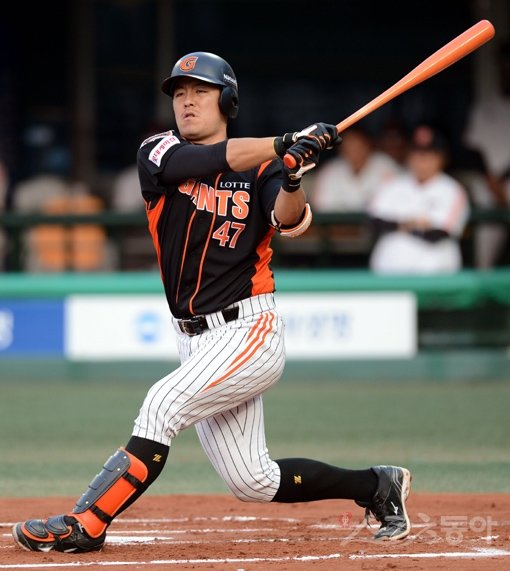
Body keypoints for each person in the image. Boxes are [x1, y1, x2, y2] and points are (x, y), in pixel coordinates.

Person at [12, 51, 412, 554]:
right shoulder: (158, 150)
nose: (187, 101)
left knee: (161, 406)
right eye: (180, 93)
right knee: (253, 480)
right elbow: (205, 161)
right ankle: (377, 485)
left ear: (227, 102)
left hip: (249, 331)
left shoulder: (264, 168)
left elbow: (288, 220)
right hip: (193, 338)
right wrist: (283, 142)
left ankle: (86, 524)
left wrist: (291, 174)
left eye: (200, 91)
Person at [368, 124, 470, 274]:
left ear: (442, 158)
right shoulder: (392, 184)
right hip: (389, 272)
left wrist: (399, 224)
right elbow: (375, 222)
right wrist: (416, 224)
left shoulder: (453, 190)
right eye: (417, 154)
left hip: (436, 275)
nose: (422, 160)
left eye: (428, 155)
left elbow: (438, 233)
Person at [460, 40, 510, 268]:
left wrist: (501, 181)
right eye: (504, 65)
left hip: (503, 183)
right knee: (485, 257)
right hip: (487, 186)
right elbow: (472, 149)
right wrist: (492, 181)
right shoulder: (485, 107)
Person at [310, 124, 403, 213]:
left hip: (378, 223)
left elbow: (396, 205)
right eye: (348, 145)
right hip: (340, 224)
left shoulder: (386, 166)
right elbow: (321, 207)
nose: (353, 149)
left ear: (368, 144)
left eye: (357, 144)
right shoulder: (330, 171)